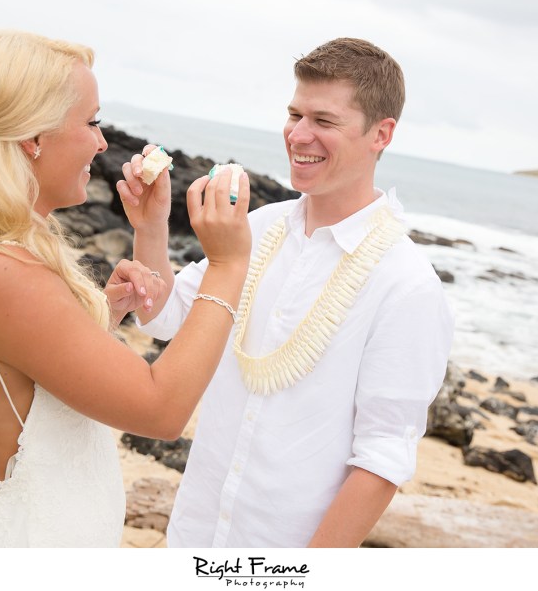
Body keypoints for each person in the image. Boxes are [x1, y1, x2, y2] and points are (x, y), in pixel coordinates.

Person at [0, 30, 252, 548]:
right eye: (92, 122)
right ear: (33, 138)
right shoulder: (2, 273)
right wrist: (227, 263)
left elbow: (20, 380)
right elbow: (161, 410)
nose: (103, 143)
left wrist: (102, 312)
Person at [117, 37, 454, 547]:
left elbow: (383, 458)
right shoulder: (258, 227)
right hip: (193, 536)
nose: (298, 135)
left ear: (380, 133)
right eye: (294, 114)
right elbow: (167, 317)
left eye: (323, 120)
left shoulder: (407, 285)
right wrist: (151, 227)